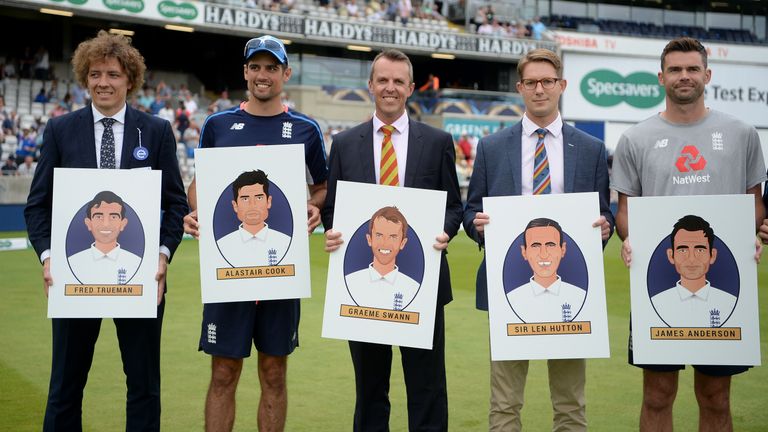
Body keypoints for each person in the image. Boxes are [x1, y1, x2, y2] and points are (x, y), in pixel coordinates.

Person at [24, 30, 187, 431]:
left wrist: (163, 255)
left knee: (144, 385)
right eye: (95, 74)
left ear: (129, 78)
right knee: (65, 385)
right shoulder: (61, 130)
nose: (103, 82)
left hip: (140, 276)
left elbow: (176, 204)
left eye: (113, 74)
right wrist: (48, 259)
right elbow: (37, 205)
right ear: (84, 78)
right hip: (76, 277)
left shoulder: (156, 130)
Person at [611, 37, 765, 432]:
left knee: (716, 397)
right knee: (657, 394)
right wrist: (628, 238)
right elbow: (625, 211)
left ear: (707, 75)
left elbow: (755, 204)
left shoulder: (742, 133)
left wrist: (758, 231)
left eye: (692, 69)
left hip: (726, 279)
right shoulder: (635, 139)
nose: (684, 76)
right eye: (676, 70)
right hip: (658, 281)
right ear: (661, 77)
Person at [182, 35, 328, 432]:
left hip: (280, 271)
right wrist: (193, 212)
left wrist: (314, 206)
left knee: (274, 372)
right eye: (255, 67)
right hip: (230, 270)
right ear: (245, 71)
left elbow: (322, 186)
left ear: (286, 73)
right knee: (224, 373)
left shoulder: (306, 128)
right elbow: (201, 186)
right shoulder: (217, 124)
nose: (263, 75)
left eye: (271, 67)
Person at [463, 48, 613, 432]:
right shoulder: (493, 147)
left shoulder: (592, 149)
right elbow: (471, 209)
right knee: (505, 403)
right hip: (510, 286)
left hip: (571, 290)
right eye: (531, 82)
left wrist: (606, 227)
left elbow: (603, 214)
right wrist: (475, 224)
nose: (540, 89)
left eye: (548, 81)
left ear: (561, 85)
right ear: (520, 88)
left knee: (570, 405)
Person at [322, 48, 462, 431]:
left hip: (423, 282)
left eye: (398, 81)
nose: (390, 87)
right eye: (382, 80)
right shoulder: (345, 143)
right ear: (370, 85)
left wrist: (445, 232)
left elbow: (454, 206)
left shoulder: (437, 141)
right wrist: (333, 233)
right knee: (369, 389)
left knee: (427, 387)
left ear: (411, 88)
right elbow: (334, 209)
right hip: (363, 286)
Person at [650, 215, 736, 328]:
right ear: (671, 255)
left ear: (712, 255)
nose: (691, 259)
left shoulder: (730, 302)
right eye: (683, 249)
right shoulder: (657, 303)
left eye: (700, 249)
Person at [507, 218, 587, 324]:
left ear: (563, 249)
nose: (543, 254)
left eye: (551, 245)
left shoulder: (580, 296)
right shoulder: (512, 299)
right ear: (524, 252)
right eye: (535, 246)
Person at [345, 206, 420, 311]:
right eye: (379, 235)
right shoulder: (350, 282)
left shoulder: (413, 287)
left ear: (402, 243)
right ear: (369, 239)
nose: (385, 243)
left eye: (393, 237)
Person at [216, 169, 292, 268]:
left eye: (259, 197)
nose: (252, 205)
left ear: (268, 202)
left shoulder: (285, 242)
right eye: (245, 199)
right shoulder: (222, 245)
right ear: (235, 205)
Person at [67, 191, 142, 284]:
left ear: (123, 223)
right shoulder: (73, 263)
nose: (106, 224)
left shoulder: (135, 263)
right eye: (98, 216)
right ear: (88, 223)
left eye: (113, 217)